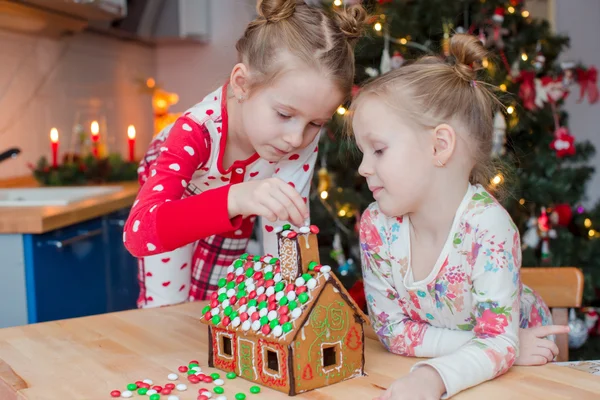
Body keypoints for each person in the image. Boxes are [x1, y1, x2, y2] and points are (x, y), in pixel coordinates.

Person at [351, 34, 570, 399]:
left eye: (378, 150)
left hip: (524, 380)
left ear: (439, 146)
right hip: (491, 363)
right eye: (362, 152)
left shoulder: (488, 228)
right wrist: (506, 347)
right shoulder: (377, 226)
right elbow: (392, 332)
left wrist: (430, 378)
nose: (362, 168)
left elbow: (496, 342)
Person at [123, 0, 367, 308]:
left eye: (315, 123)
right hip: (178, 203)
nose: (295, 138)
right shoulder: (195, 132)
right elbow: (139, 234)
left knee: (210, 305)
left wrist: (287, 311)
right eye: (283, 114)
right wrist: (235, 199)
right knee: (166, 305)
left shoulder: (297, 139)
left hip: (231, 207)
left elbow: (283, 239)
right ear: (242, 84)